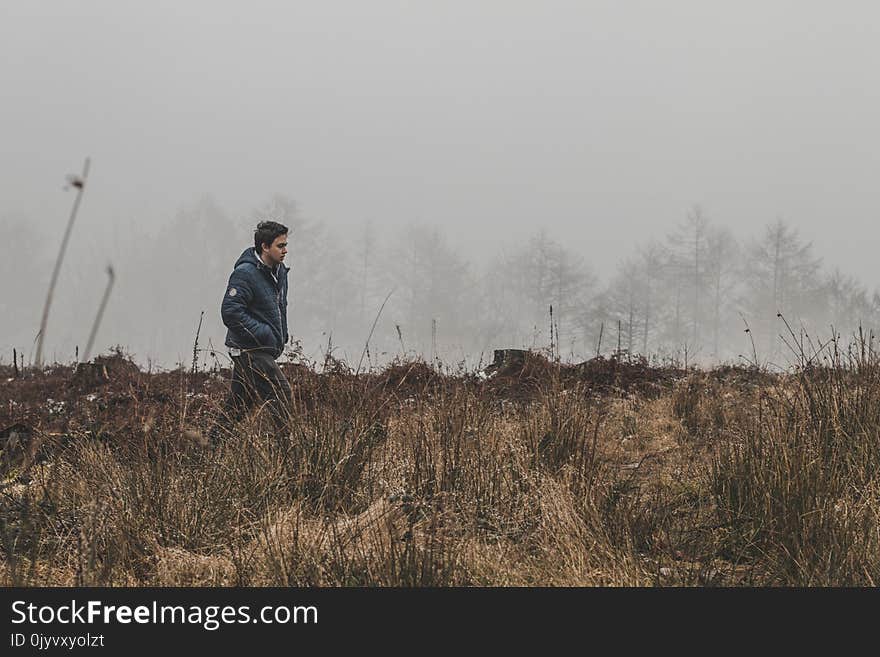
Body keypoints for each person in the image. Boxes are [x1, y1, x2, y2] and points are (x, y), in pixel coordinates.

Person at [212, 220, 292, 441]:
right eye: (280, 246)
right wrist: (265, 334)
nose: (285, 251)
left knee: (239, 404)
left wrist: (281, 334)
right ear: (265, 247)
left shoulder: (279, 272)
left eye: (286, 245)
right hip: (249, 350)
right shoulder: (245, 273)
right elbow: (230, 312)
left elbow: (279, 306)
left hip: (263, 348)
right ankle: (288, 452)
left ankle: (209, 447)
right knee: (281, 393)